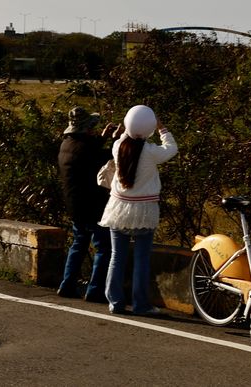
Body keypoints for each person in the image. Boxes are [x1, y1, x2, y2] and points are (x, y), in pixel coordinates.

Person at [99, 104, 177, 315]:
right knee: (142, 258)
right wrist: (162, 128)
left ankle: (115, 302)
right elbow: (172, 148)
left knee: (117, 256)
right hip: (144, 209)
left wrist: (129, 126)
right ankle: (141, 304)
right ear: (149, 127)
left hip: (118, 208)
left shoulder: (118, 146)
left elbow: (127, 134)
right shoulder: (151, 153)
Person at [56, 107, 120, 302]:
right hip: (93, 206)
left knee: (79, 243)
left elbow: (88, 151)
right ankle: (95, 290)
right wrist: (117, 140)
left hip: (75, 206)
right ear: (86, 130)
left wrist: (103, 137)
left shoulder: (67, 145)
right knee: (104, 248)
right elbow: (110, 156)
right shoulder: (86, 149)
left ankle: (67, 284)